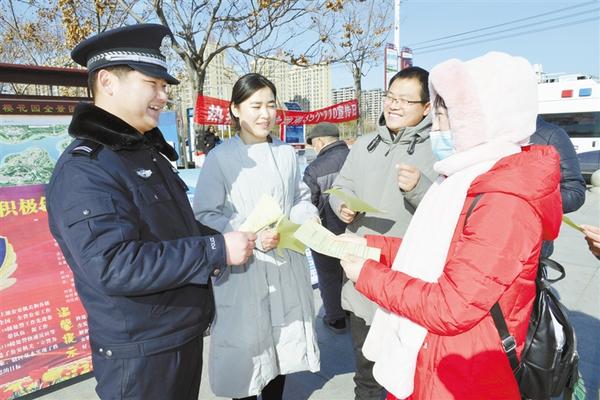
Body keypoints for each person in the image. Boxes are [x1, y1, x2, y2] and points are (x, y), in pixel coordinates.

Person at [46, 24, 256, 400]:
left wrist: (220, 240)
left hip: (175, 335)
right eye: (152, 84)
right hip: (141, 354)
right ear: (107, 82)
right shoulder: (86, 169)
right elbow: (113, 265)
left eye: (164, 86)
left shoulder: (142, 153)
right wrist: (215, 250)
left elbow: (171, 231)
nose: (163, 96)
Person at [339, 52, 562, 400]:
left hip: (462, 371)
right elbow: (435, 253)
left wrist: (369, 274)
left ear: (484, 119)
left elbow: (451, 306)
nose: (438, 129)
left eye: (445, 117)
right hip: (436, 356)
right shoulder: (467, 177)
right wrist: (374, 247)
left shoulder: (505, 200)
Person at [192, 73, 320, 400]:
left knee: (280, 351)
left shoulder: (286, 153)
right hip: (243, 270)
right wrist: (248, 233)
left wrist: (306, 219)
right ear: (236, 110)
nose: (265, 114)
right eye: (256, 106)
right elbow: (205, 213)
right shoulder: (221, 158)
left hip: (284, 265)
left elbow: (299, 198)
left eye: (271, 105)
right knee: (247, 355)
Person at [328, 67, 436, 400]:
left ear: (426, 107)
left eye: (405, 100)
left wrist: (419, 187)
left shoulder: (440, 148)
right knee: (367, 375)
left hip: (410, 283)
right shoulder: (364, 144)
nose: (394, 105)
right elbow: (340, 187)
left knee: (410, 378)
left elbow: (451, 214)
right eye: (390, 97)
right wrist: (341, 205)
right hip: (362, 276)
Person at [303, 122, 350, 333]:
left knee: (329, 276)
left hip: (328, 230)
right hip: (358, 230)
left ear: (320, 142)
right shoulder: (357, 158)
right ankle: (354, 313)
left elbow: (308, 204)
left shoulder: (314, 168)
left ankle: (336, 319)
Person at [531, 116, 586, 257]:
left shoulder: (551, 134)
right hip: (483, 243)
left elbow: (575, 193)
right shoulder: (486, 132)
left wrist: (530, 203)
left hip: (532, 249)